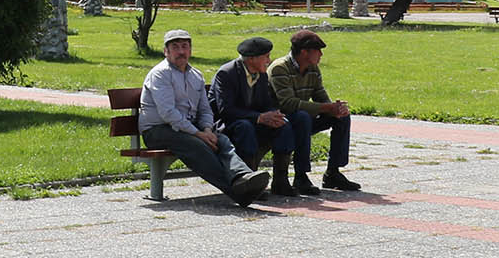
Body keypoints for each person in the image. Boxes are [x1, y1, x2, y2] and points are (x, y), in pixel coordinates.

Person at [138, 29, 269, 206]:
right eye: (175, 47)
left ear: (190, 50)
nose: (181, 51)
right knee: (198, 145)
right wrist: (198, 134)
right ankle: (238, 192)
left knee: (221, 140)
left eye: (185, 46)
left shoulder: (196, 75)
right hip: (158, 130)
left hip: (186, 129)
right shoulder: (160, 74)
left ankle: (242, 175)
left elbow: (205, 110)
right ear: (166, 51)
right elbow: (168, 113)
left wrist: (207, 129)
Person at [210, 36, 318, 197]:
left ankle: (280, 181)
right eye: (266, 57)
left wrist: (273, 114)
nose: (269, 60)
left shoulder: (261, 75)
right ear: (251, 59)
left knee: (284, 123)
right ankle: (249, 182)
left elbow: (266, 103)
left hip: (252, 120)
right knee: (245, 127)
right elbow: (226, 110)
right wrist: (259, 117)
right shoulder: (227, 73)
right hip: (228, 124)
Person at [268, 30, 360, 191]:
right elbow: (287, 103)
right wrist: (326, 108)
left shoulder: (313, 69)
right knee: (302, 117)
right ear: (304, 52)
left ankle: (333, 172)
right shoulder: (279, 68)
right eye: (318, 50)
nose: (321, 55)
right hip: (281, 120)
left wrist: (335, 109)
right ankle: (301, 175)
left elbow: (320, 96)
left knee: (342, 117)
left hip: (302, 117)